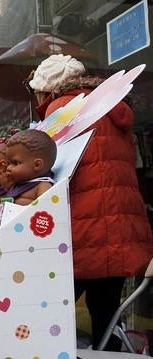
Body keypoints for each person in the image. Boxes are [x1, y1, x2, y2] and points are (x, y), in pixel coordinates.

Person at [27, 54, 153, 351]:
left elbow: (48, 172)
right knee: (106, 314)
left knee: (51, 311)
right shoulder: (112, 106)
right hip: (120, 229)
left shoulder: (62, 111)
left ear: (49, 89)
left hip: (81, 232)